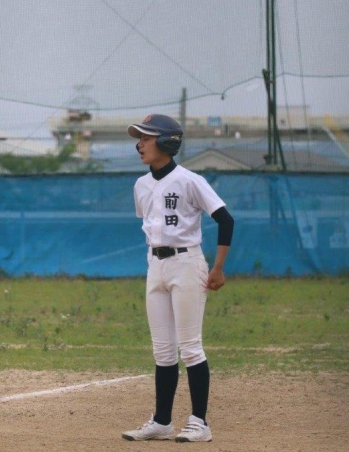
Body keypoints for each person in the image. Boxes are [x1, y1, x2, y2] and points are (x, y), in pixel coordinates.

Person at [121, 114, 234, 443]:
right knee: (163, 351)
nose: (140, 144)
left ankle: (200, 423)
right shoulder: (141, 186)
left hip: (187, 263)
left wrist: (218, 267)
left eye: (146, 138)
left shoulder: (189, 180)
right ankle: (162, 422)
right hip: (155, 265)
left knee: (191, 347)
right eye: (139, 139)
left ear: (167, 142)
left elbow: (226, 220)